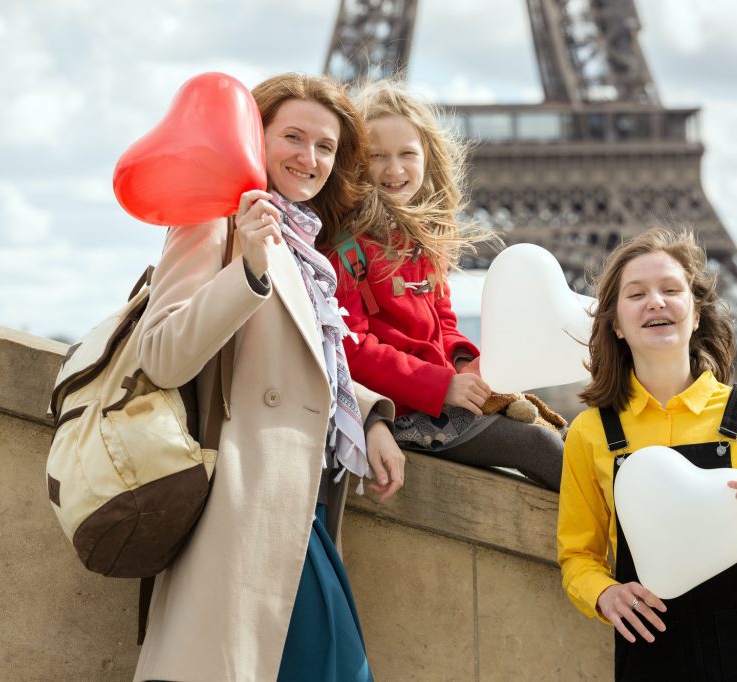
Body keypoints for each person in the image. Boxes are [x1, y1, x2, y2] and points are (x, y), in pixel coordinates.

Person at [133, 73, 406, 682]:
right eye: (292, 136)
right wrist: (248, 271)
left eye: (326, 147)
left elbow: (309, 365)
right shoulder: (216, 222)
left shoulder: (308, 249)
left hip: (302, 505)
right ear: (253, 135)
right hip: (243, 501)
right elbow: (162, 354)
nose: (308, 159)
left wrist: (372, 415)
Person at [557, 228, 737, 680]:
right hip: (652, 654)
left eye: (671, 290)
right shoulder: (591, 432)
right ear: (615, 323)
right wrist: (603, 593)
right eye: (636, 294)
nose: (656, 301)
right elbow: (578, 555)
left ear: (696, 315)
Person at [324, 79, 563, 491]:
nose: (394, 169)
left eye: (406, 155)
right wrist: (442, 384)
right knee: (540, 443)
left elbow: (445, 322)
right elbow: (351, 350)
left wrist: (467, 364)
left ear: (427, 158)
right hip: (400, 410)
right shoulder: (345, 249)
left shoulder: (422, 243)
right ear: (355, 164)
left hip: (438, 394)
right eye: (376, 156)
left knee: (565, 435)